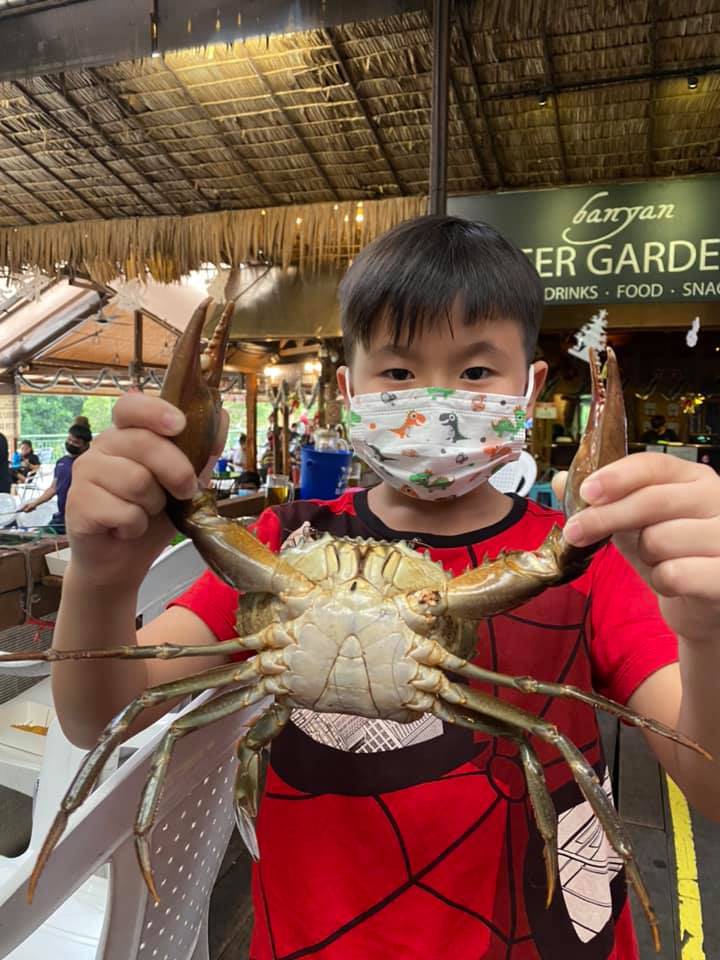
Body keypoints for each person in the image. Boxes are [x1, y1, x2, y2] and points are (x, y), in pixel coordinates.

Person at [52, 217, 720, 960]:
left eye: (475, 373)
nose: (434, 401)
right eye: (397, 373)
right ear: (348, 390)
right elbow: (109, 707)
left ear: (528, 389)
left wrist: (709, 632)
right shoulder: (285, 543)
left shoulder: (588, 558)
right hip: (313, 937)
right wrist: (101, 579)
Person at [19, 416, 91, 532]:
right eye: (69, 440)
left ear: (85, 445)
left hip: (82, 520)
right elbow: (53, 488)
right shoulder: (62, 462)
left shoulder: (91, 463)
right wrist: (35, 503)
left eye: (76, 442)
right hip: (62, 517)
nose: (71, 443)